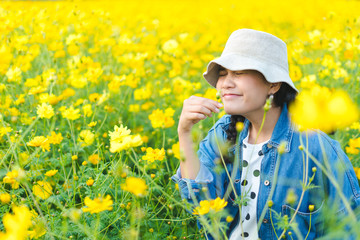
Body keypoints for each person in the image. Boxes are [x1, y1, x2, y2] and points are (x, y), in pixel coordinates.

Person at [171, 29, 360, 239]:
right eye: (223, 74)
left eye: (239, 73)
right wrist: (184, 132)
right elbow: (200, 205)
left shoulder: (318, 149)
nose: (225, 83)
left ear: (273, 84)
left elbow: (349, 229)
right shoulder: (222, 134)